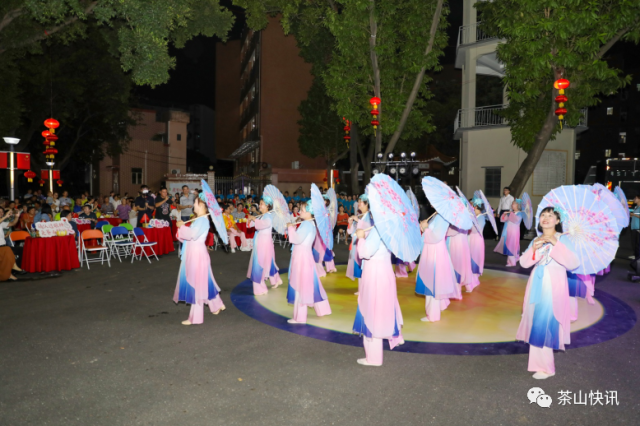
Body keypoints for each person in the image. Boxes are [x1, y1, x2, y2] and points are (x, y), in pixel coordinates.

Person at [517, 206, 579, 379]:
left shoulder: (562, 239)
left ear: (557, 221)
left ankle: (547, 367)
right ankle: (539, 364)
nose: (545, 218)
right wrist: (533, 249)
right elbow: (523, 263)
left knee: (545, 323)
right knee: (536, 321)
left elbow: (574, 263)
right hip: (536, 283)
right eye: (543, 215)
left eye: (550, 215)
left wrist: (554, 243)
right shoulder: (536, 239)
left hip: (553, 285)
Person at [352, 211, 404, 366]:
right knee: (383, 308)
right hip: (384, 272)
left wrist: (361, 238)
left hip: (375, 274)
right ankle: (394, 336)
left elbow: (365, 253)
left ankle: (374, 358)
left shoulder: (378, 230)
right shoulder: (388, 228)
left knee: (372, 312)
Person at [173, 194, 225, 325]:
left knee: (196, 284)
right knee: (203, 282)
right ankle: (217, 304)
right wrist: (182, 227)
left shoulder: (202, 220)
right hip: (195, 253)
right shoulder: (199, 219)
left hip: (197, 255)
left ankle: (195, 318)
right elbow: (189, 234)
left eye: (195, 202)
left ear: (201, 205)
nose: (193, 204)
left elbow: (192, 235)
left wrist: (182, 227)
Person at [285, 200, 332, 324]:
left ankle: (299, 317)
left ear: (309, 212)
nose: (300, 211)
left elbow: (296, 239)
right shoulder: (310, 224)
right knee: (310, 284)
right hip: (306, 256)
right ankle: (323, 309)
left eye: (302, 210)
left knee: (301, 286)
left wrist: (290, 228)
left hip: (301, 257)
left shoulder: (306, 225)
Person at [416, 213, 459, 322]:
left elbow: (436, 236)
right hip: (431, 250)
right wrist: (424, 227)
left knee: (432, 284)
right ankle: (435, 310)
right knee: (432, 282)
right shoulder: (437, 215)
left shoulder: (442, 217)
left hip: (435, 251)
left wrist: (426, 228)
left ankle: (433, 315)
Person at [246, 196, 283, 295]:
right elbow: (251, 226)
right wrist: (250, 220)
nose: (260, 205)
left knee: (259, 265)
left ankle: (260, 288)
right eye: (260, 203)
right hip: (261, 242)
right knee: (268, 262)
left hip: (264, 244)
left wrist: (255, 219)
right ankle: (276, 280)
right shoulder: (262, 216)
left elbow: (264, 224)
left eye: (262, 203)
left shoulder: (268, 216)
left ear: (267, 206)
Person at [346, 195, 372, 284]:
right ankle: (360, 289)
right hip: (356, 244)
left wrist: (358, 221)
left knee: (362, 267)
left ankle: (363, 290)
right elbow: (350, 232)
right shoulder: (360, 215)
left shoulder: (370, 216)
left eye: (361, 202)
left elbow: (369, 228)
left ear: (366, 204)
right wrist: (350, 224)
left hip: (363, 244)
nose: (359, 204)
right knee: (357, 267)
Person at [494, 199, 525, 267]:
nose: (512, 205)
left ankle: (512, 261)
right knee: (509, 245)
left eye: (513, 204)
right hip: (508, 231)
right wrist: (504, 214)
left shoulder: (520, 213)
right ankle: (513, 259)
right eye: (512, 204)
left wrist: (510, 213)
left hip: (514, 232)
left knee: (512, 245)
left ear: (517, 205)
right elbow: (503, 220)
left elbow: (515, 220)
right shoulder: (512, 213)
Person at [0, 208, 25, 281]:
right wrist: (5, 216)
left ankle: (10, 273)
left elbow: (12, 223)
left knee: (15, 250)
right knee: (7, 250)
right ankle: (14, 267)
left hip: (2, 246)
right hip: (2, 247)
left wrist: (17, 217)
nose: (1, 213)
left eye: (2, 212)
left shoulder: (1, 223)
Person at [469, 198, 487, 287]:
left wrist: (470, 222)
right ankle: (471, 279)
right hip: (472, 239)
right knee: (471, 257)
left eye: (473, 207)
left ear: (476, 207)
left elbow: (475, 230)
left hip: (476, 240)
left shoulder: (481, 218)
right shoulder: (476, 217)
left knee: (475, 258)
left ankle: (474, 280)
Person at [629, 194, 640, 260]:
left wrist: (634, 214)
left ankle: (637, 257)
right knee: (634, 243)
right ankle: (635, 255)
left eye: (635, 198)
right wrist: (631, 215)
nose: (634, 199)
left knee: (637, 244)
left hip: (638, 228)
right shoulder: (636, 207)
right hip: (634, 227)